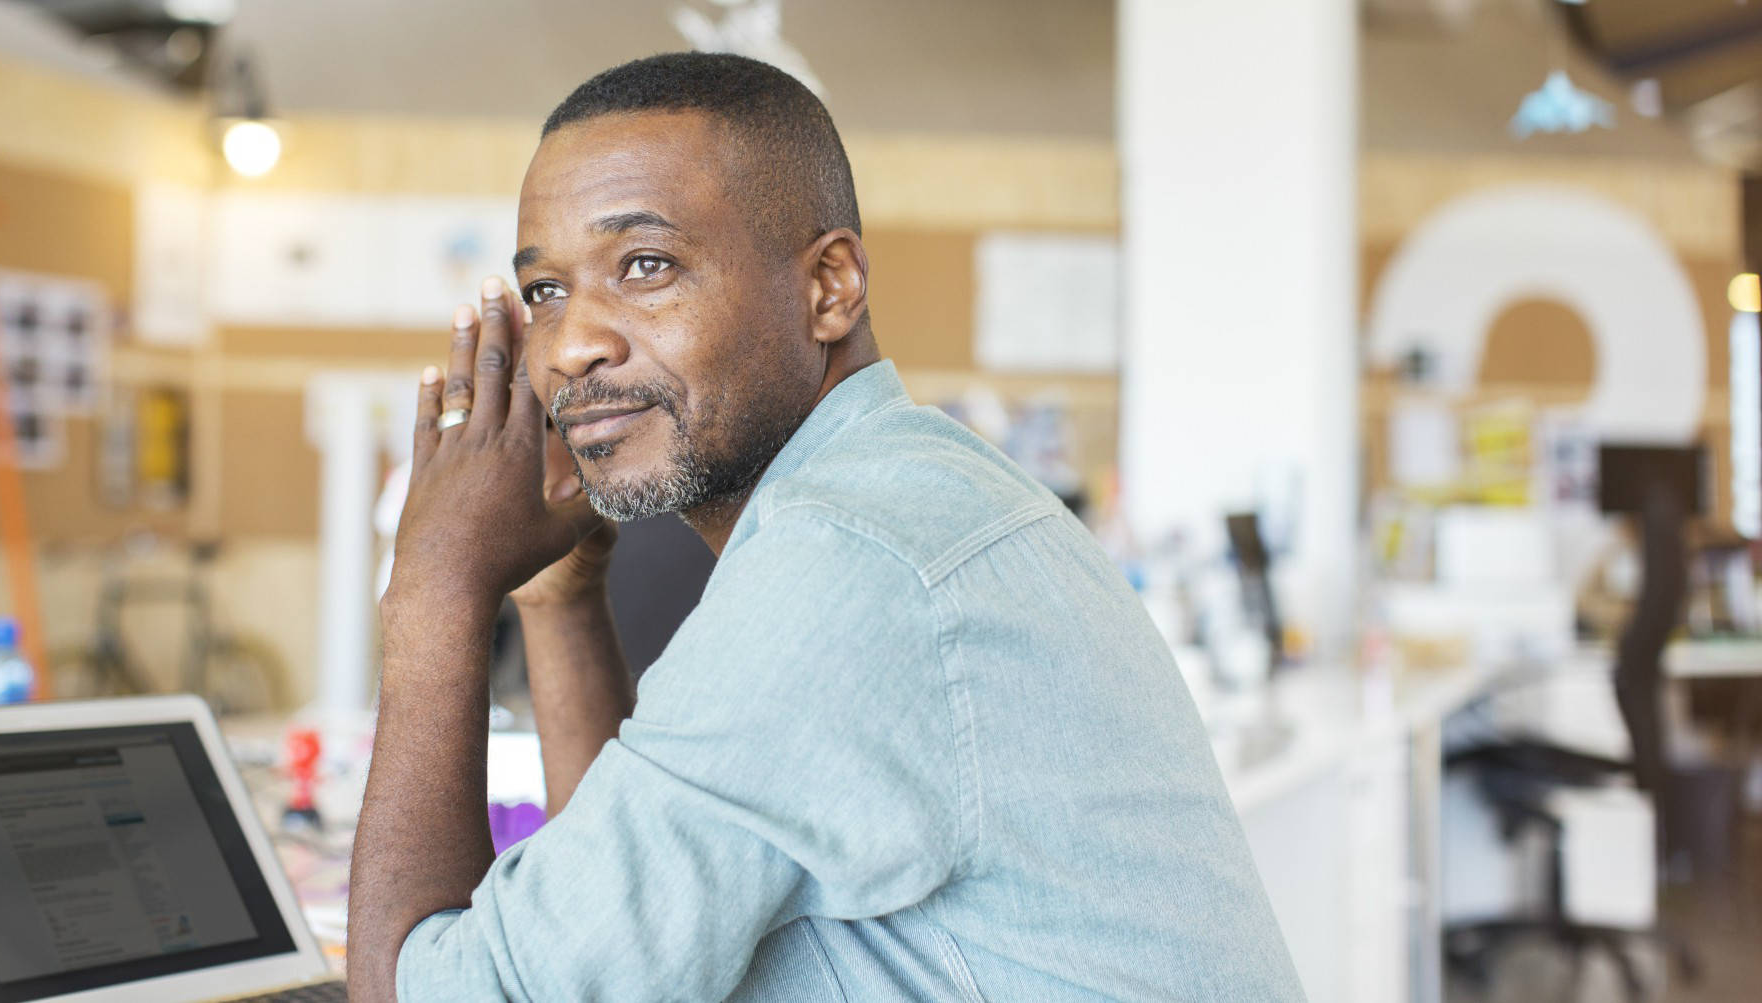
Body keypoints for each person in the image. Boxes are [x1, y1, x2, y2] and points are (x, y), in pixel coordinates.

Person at [349, 52, 1304, 1002]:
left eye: (645, 265)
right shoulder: (910, 488)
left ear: (831, 286)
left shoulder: (846, 564)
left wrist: (433, 587)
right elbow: (612, 925)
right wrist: (559, 598)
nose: (569, 347)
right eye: (546, 291)